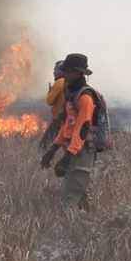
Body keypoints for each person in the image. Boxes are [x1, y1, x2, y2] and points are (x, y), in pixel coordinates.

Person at [40, 53, 96, 212]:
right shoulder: (72, 95)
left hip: (82, 150)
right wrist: (52, 150)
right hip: (74, 148)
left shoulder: (85, 97)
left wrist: (67, 157)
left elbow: (82, 129)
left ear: (77, 72)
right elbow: (67, 127)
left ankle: (71, 233)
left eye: (67, 70)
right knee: (80, 195)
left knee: (69, 197)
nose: (63, 73)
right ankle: (89, 228)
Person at [38, 60, 66, 152]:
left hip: (58, 121)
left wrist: (50, 91)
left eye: (55, 70)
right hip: (68, 121)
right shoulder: (69, 82)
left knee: (44, 146)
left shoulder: (59, 82)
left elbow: (49, 101)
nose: (53, 72)